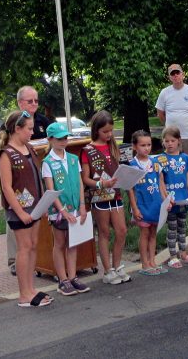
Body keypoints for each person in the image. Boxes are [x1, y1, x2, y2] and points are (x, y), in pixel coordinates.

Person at [0, 110, 52, 307]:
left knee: (33, 245)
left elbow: (36, 178)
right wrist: (20, 212)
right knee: (24, 248)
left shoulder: (29, 148)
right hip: (19, 211)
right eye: (28, 129)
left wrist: (43, 204)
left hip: (35, 207)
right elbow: (6, 187)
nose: (32, 132)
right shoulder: (6, 154)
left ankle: (31, 288)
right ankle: (23, 294)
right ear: (16, 129)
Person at [6, 86, 53, 276]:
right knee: (17, 224)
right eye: (29, 101)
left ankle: (40, 258)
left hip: (39, 176)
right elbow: (5, 148)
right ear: (20, 103)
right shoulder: (11, 122)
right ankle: (14, 262)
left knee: (35, 225)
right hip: (18, 181)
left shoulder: (42, 121)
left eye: (36, 101)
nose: (34, 104)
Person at [80, 110, 131, 285]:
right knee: (104, 232)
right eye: (105, 132)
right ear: (96, 130)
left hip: (115, 194)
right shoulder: (87, 150)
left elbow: (123, 168)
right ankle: (107, 271)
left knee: (122, 230)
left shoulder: (114, 146)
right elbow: (85, 178)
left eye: (111, 131)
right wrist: (101, 184)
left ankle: (117, 266)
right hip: (99, 196)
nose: (109, 135)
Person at [41, 122, 90, 296]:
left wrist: (83, 205)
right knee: (60, 243)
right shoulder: (48, 162)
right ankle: (63, 280)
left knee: (73, 243)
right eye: (59, 138)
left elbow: (79, 183)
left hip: (76, 208)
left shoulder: (73, 159)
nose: (63, 141)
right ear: (50, 139)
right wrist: (62, 211)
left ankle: (73, 276)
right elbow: (51, 190)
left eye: (65, 138)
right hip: (60, 212)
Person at [127, 130, 171, 276]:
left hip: (156, 204)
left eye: (149, 145)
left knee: (153, 233)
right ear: (134, 146)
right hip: (142, 205)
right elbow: (130, 189)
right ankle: (145, 263)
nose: (146, 148)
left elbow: (161, 183)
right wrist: (134, 208)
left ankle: (153, 260)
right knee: (144, 233)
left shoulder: (156, 163)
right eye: (142, 145)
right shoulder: (132, 165)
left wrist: (166, 200)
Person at [159, 126, 188, 268]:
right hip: (171, 201)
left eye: (172, 140)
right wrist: (165, 198)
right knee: (172, 227)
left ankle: (183, 252)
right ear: (163, 142)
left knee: (182, 227)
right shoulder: (161, 159)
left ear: (179, 141)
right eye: (166, 141)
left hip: (183, 198)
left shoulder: (185, 158)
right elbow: (161, 180)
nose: (169, 143)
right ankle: (172, 256)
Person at [155, 63, 188, 156]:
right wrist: (168, 125)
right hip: (171, 138)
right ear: (169, 77)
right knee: (172, 164)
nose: (175, 75)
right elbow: (160, 114)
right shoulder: (164, 92)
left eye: (178, 72)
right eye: (172, 74)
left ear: (183, 74)